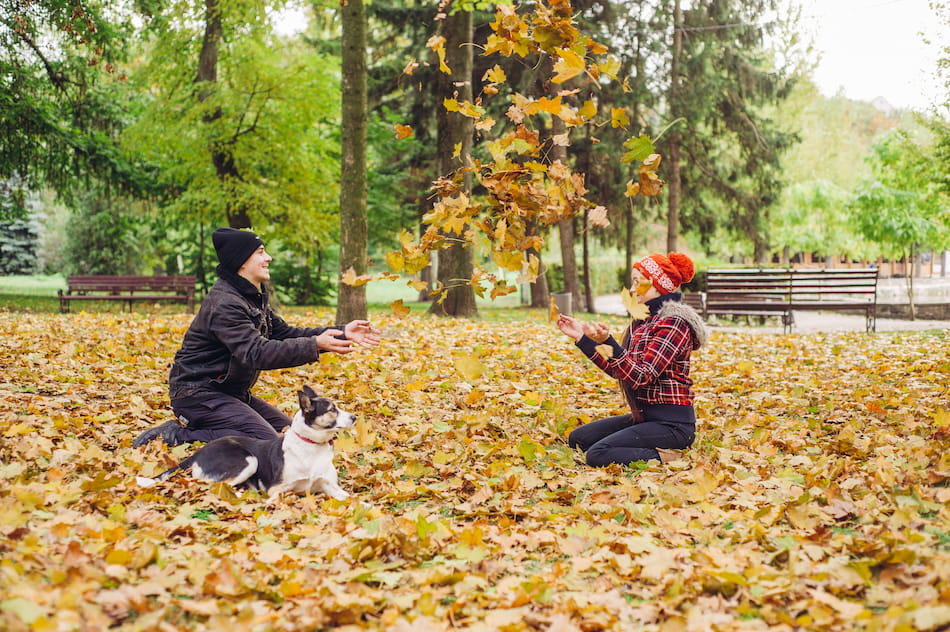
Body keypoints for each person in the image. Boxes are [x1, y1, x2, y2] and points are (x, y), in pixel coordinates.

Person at [133, 227, 381, 447]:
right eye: (261, 252)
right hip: (198, 395)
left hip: (230, 393)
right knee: (267, 441)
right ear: (242, 262)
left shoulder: (250, 296)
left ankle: (213, 427)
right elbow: (256, 353)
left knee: (291, 433)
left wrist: (341, 332)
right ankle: (176, 435)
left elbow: (285, 334)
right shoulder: (226, 303)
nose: (268, 258)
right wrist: (314, 344)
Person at [556, 252, 707, 466]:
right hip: (645, 417)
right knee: (578, 439)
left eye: (638, 282)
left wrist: (610, 341)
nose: (633, 289)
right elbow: (620, 370)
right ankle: (641, 443)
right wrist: (582, 338)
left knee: (598, 454)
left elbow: (641, 376)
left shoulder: (674, 324)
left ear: (658, 286)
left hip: (673, 425)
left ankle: (671, 456)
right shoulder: (643, 322)